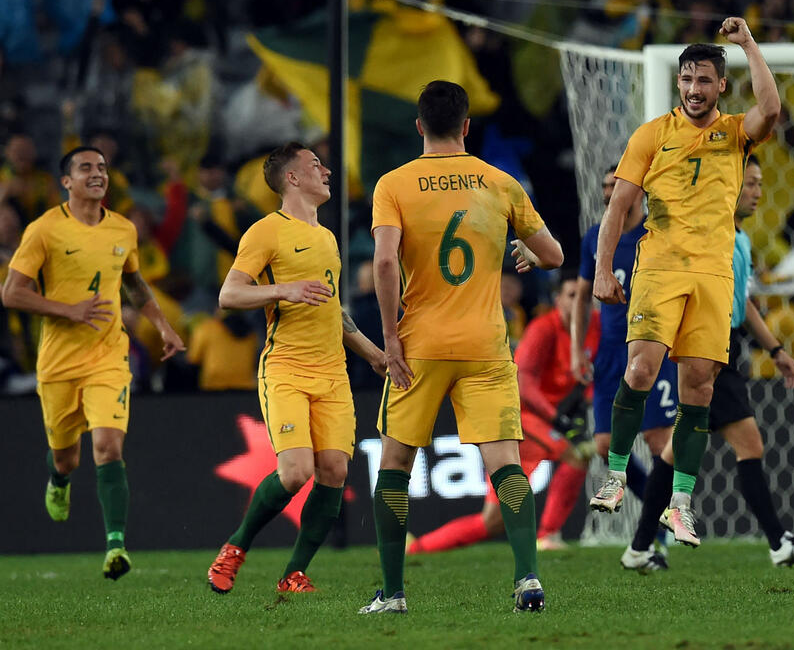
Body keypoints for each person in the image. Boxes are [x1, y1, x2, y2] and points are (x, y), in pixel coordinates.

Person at [362, 80, 564, 615]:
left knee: (395, 464)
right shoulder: (499, 182)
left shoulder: (393, 184)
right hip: (485, 346)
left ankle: (393, 593)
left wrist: (389, 338)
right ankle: (527, 578)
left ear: (419, 126)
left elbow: (384, 261)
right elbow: (553, 255)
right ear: (467, 126)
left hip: (419, 345)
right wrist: (525, 251)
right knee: (505, 465)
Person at [588, 17, 779, 548]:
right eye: (687, 79)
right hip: (660, 267)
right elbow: (619, 206)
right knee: (641, 368)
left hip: (714, 275)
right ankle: (615, 475)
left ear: (721, 85)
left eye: (704, 81)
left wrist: (747, 44)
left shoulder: (736, 132)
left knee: (699, 386)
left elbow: (771, 108)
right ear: (678, 82)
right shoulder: (652, 135)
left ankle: (681, 506)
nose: (694, 89)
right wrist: (602, 269)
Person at [621, 156, 794, 569]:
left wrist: (776, 350)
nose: (757, 192)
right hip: (706, 347)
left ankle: (639, 547)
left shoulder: (741, 240)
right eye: (750, 184)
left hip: (724, 346)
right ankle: (779, 543)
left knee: (678, 450)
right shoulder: (706, 238)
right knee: (745, 443)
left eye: (760, 184)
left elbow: (743, 302)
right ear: (728, 187)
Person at [205, 142, 386, 594]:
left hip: (333, 374)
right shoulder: (266, 231)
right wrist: (282, 289)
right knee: (295, 472)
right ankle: (235, 547)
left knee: (334, 472)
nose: (327, 171)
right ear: (292, 178)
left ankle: (294, 574)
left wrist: (374, 354)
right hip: (286, 366)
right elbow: (229, 295)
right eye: (315, 165)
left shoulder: (327, 238)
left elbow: (333, 310)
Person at [1, 146, 186, 580]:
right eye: (86, 168)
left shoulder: (122, 228)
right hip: (59, 361)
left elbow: (134, 283)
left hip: (108, 355)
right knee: (67, 458)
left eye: (101, 167)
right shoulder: (45, 230)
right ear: (67, 181)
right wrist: (69, 310)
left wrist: (162, 326)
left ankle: (115, 545)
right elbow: (11, 293)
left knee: (108, 445)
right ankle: (59, 479)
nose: (97, 173)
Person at [407, 279, 598, 555]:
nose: (580, 302)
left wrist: (585, 402)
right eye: (572, 295)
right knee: (576, 455)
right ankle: (547, 535)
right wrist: (558, 419)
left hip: (544, 421)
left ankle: (418, 548)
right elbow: (524, 384)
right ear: (557, 300)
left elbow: (597, 370)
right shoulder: (542, 329)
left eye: (586, 297)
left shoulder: (595, 326)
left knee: (493, 521)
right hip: (518, 417)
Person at [572, 167, 679, 562]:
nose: (607, 193)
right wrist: (576, 350)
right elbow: (582, 297)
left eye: (615, 186)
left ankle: (657, 530)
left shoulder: (656, 234)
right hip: (610, 353)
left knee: (658, 442)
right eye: (604, 186)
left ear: (637, 192)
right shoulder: (595, 237)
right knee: (605, 444)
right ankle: (659, 517)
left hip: (650, 347)